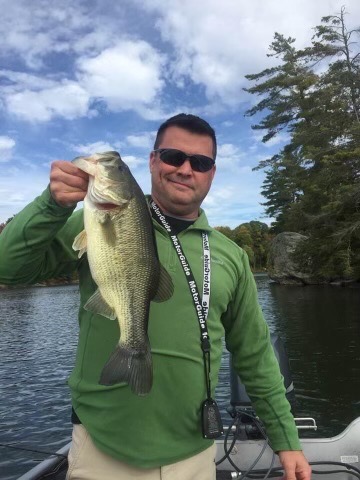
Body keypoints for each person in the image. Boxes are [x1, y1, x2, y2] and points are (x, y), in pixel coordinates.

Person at [0, 114, 311, 480]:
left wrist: (286, 438)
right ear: (152, 161)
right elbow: (8, 269)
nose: (184, 169)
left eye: (200, 162)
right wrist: (52, 206)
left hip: (195, 453)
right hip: (103, 448)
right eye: (173, 156)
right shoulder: (93, 219)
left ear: (211, 173)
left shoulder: (231, 256)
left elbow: (255, 353)